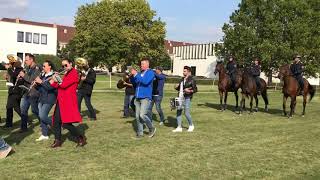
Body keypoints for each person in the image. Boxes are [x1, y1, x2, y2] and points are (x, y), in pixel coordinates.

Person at [49, 59, 86, 148]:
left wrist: (56, 79)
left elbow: (64, 85)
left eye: (66, 65)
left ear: (70, 64)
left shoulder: (74, 73)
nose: (64, 67)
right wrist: (53, 82)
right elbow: (60, 86)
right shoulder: (67, 73)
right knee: (56, 122)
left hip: (68, 101)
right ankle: (57, 141)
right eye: (63, 66)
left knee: (66, 123)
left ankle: (80, 137)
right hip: (61, 101)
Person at [130, 58, 156, 138]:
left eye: (143, 64)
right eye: (141, 64)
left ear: (147, 65)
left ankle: (152, 128)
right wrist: (132, 77)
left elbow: (145, 82)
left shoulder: (151, 72)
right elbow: (135, 83)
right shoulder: (140, 73)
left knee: (142, 115)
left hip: (145, 97)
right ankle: (140, 133)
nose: (141, 65)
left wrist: (136, 74)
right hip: (137, 97)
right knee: (137, 116)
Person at [34, 60, 57, 141]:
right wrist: (36, 84)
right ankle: (44, 134)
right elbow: (41, 88)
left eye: (44, 66)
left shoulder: (54, 75)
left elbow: (50, 88)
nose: (43, 68)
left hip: (49, 98)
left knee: (43, 116)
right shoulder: (43, 75)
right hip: (41, 98)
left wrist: (41, 82)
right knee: (41, 117)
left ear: (49, 66)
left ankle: (56, 126)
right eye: (42, 66)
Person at [18, 54, 42, 133]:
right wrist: (20, 77)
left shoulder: (37, 68)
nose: (25, 61)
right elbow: (26, 79)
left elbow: (32, 80)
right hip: (26, 92)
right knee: (23, 110)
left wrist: (24, 75)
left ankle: (44, 123)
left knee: (35, 110)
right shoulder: (27, 68)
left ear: (31, 60)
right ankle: (23, 128)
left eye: (27, 60)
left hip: (33, 92)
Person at [172, 66, 197, 132]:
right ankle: (179, 127)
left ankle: (191, 125)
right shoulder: (181, 79)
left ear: (189, 72)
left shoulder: (192, 79)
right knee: (178, 112)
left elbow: (195, 89)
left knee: (186, 113)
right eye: (183, 71)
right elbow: (179, 88)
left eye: (185, 71)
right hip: (179, 97)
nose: (183, 72)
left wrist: (189, 91)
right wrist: (176, 86)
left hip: (187, 97)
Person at [2, 56, 23, 129]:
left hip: (16, 91)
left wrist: (9, 68)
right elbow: (12, 79)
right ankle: (9, 124)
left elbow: (14, 75)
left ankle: (25, 120)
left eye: (13, 61)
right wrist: (7, 78)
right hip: (12, 90)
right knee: (10, 107)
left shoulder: (20, 69)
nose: (11, 62)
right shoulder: (14, 69)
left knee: (14, 107)